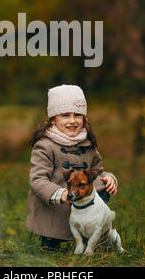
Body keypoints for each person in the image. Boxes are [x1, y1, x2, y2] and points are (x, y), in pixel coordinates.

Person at [25, 84, 118, 250]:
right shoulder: (45, 146)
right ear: (53, 119)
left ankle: (98, 237)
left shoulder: (87, 144)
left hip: (84, 203)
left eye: (78, 115)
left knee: (100, 187)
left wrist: (109, 178)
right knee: (51, 242)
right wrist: (59, 194)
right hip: (56, 206)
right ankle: (51, 242)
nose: (73, 121)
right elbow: (38, 179)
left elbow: (98, 171)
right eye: (65, 115)